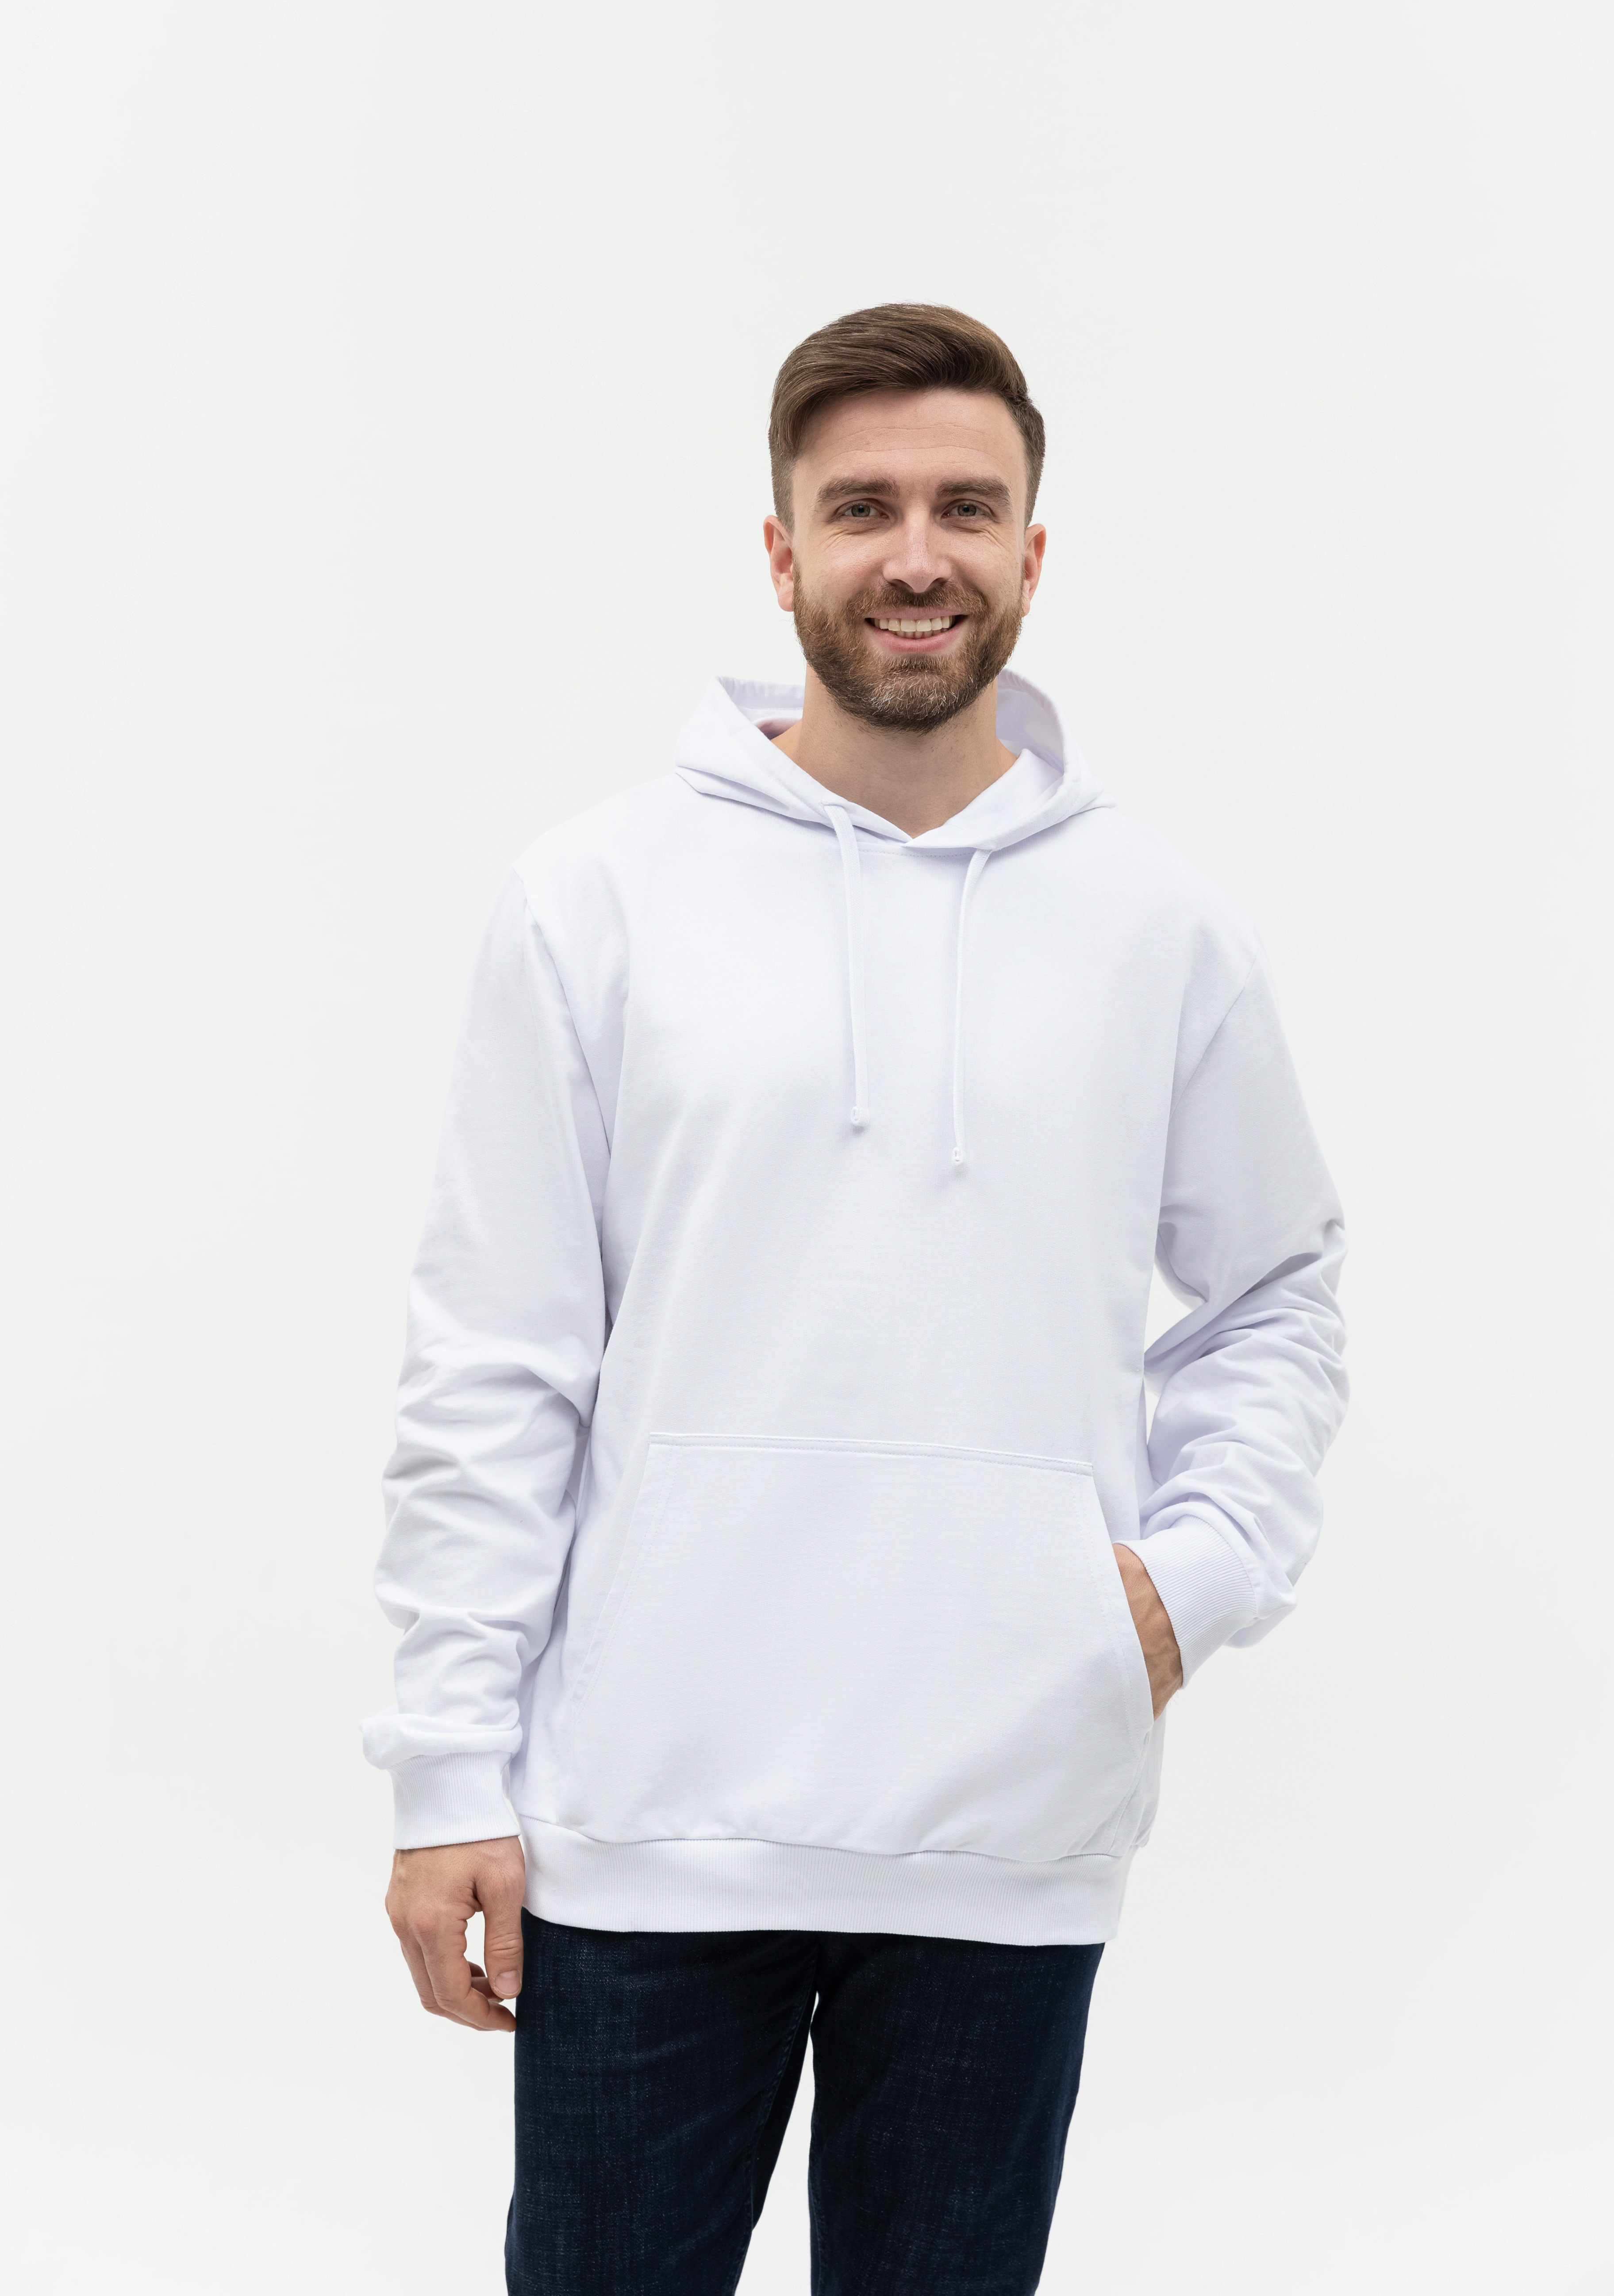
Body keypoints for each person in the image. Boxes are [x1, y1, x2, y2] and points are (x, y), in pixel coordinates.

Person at [363, 303, 1348, 2295]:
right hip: (647, 1817)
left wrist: (1189, 1582)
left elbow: (1274, 1289)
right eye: (864, 507)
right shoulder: (597, 896)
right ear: (782, 548)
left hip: (1011, 1821)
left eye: (966, 509)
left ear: (1032, 553)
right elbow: (495, 1358)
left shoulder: (1159, 926)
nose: (918, 554)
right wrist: (447, 1767)